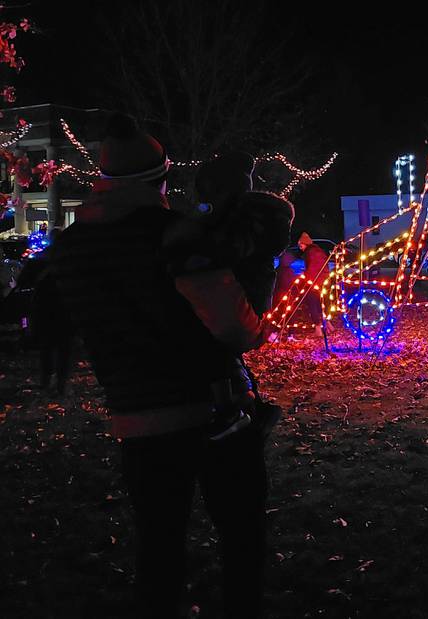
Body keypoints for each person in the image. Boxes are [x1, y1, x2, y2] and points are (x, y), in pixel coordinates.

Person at [50, 113, 273, 618]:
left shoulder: (69, 249)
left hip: (135, 421)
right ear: (161, 179)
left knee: (159, 550)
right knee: (242, 537)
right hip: (212, 415)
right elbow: (235, 328)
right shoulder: (176, 235)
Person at [165, 152, 294, 439]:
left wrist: (188, 252)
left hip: (244, 296)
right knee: (218, 346)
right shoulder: (242, 218)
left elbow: (225, 252)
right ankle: (244, 405)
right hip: (243, 295)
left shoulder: (244, 221)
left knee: (214, 344)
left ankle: (235, 407)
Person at [30, 228, 73, 394]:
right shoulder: (69, 260)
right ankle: (60, 383)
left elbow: (26, 280)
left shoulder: (41, 259)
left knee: (47, 348)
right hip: (64, 310)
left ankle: (46, 381)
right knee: (64, 349)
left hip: (46, 310)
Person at [297, 231, 330, 337]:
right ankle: (328, 324)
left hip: (314, 282)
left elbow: (312, 268)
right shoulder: (318, 250)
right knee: (322, 303)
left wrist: (305, 278)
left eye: (300, 245)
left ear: (305, 243)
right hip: (323, 281)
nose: (300, 247)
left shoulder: (309, 252)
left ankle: (318, 328)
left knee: (313, 304)